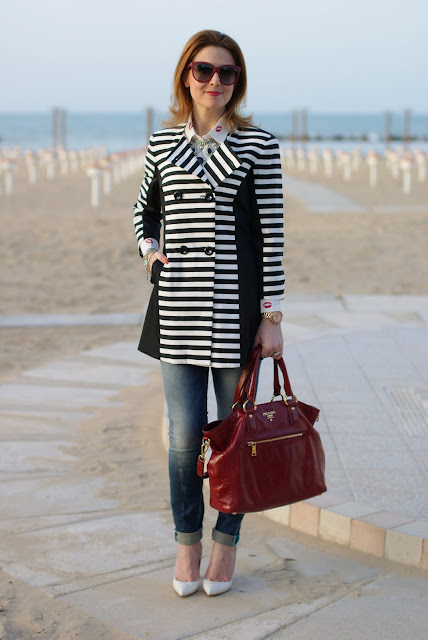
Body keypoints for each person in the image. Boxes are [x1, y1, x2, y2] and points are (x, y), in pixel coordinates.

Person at [133, 29, 284, 597]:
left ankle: (226, 546)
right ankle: (186, 541)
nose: (215, 81)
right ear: (185, 76)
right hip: (176, 309)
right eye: (204, 70)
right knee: (181, 438)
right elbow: (141, 214)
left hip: (236, 311)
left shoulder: (258, 144)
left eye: (227, 73)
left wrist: (271, 316)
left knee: (235, 437)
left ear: (237, 83)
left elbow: (272, 236)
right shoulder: (161, 142)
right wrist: (152, 255)